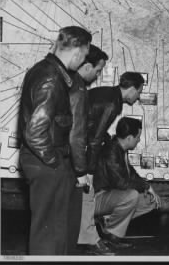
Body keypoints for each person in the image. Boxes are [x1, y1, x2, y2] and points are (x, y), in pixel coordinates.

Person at [18, 26, 91, 255]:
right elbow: (35, 132)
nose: (82, 62)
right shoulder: (50, 77)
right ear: (78, 51)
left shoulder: (47, 71)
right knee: (50, 236)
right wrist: (55, 163)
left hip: (45, 161)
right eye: (85, 56)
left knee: (56, 232)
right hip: (47, 163)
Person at [77, 72, 145, 251]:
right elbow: (95, 137)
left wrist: (106, 140)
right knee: (87, 196)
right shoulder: (113, 103)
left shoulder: (106, 93)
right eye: (139, 92)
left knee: (87, 198)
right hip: (80, 149)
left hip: (77, 144)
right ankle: (91, 241)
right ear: (131, 89)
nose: (138, 97)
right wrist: (89, 170)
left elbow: (95, 128)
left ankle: (95, 236)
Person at [68, 44, 111, 255]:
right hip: (69, 156)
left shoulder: (73, 85)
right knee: (86, 193)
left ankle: (86, 238)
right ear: (86, 65)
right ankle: (88, 239)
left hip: (65, 156)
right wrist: (84, 170)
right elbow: (77, 134)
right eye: (98, 70)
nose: (97, 75)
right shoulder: (77, 89)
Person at [93, 117, 161, 248]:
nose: (139, 140)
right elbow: (122, 183)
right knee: (131, 196)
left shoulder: (119, 149)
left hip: (109, 195)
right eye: (137, 137)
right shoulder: (111, 151)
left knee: (150, 201)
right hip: (97, 198)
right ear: (129, 138)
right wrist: (145, 186)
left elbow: (131, 174)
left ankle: (108, 220)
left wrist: (148, 188)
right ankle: (111, 234)